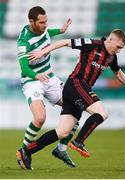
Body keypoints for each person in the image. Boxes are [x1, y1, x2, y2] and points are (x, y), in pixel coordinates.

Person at [17, 29, 125, 170]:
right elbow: (66, 42)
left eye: (121, 49)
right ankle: (79, 142)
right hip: (76, 84)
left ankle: (26, 150)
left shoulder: (111, 56)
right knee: (102, 113)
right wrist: (43, 52)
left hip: (76, 90)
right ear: (110, 40)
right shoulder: (92, 44)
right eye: (118, 47)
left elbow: (117, 72)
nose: (119, 51)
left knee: (62, 132)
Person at [16, 6, 79, 168]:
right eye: (42, 22)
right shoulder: (24, 42)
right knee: (40, 118)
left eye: (46, 22)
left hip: (49, 78)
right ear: (31, 22)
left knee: (76, 107)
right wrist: (37, 76)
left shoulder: (43, 30)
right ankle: (24, 152)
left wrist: (61, 30)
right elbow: (24, 68)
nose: (45, 25)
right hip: (32, 80)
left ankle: (61, 148)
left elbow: (48, 33)